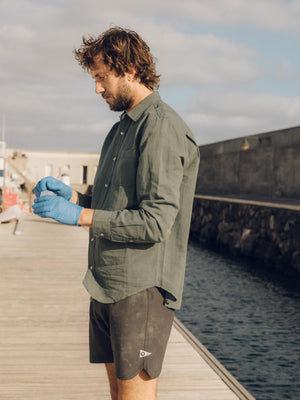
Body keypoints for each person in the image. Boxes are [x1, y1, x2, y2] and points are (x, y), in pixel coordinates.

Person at [32, 27, 200, 400]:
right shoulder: (121, 129)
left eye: (100, 77)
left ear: (129, 69)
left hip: (140, 291)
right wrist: (76, 198)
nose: (97, 88)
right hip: (106, 285)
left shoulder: (162, 129)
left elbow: (155, 222)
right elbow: (113, 203)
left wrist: (78, 216)